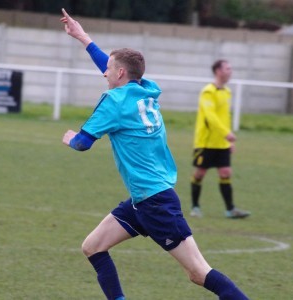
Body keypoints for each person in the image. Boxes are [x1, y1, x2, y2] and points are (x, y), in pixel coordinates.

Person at [60, 8, 249, 300]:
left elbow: (84, 143)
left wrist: (72, 138)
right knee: (93, 246)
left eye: (109, 69)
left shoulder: (114, 101)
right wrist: (83, 37)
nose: (105, 73)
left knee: (198, 273)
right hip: (143, 200)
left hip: (156, 203)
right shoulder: (147, 89)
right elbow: (114, 70)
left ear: (120, 73)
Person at [190, 60, 251, 219]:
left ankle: (230, 209)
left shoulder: (227, 92)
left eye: (231, 68)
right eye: (227, 68)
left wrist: (228, 140)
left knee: (225, 172)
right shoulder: (208, 92)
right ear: (218, 71)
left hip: (222, 142)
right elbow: (211, 117)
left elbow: (225, 117)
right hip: (206, 142)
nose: (230, 71)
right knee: (200, 174)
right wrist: (227, 133)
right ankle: (195, 207)